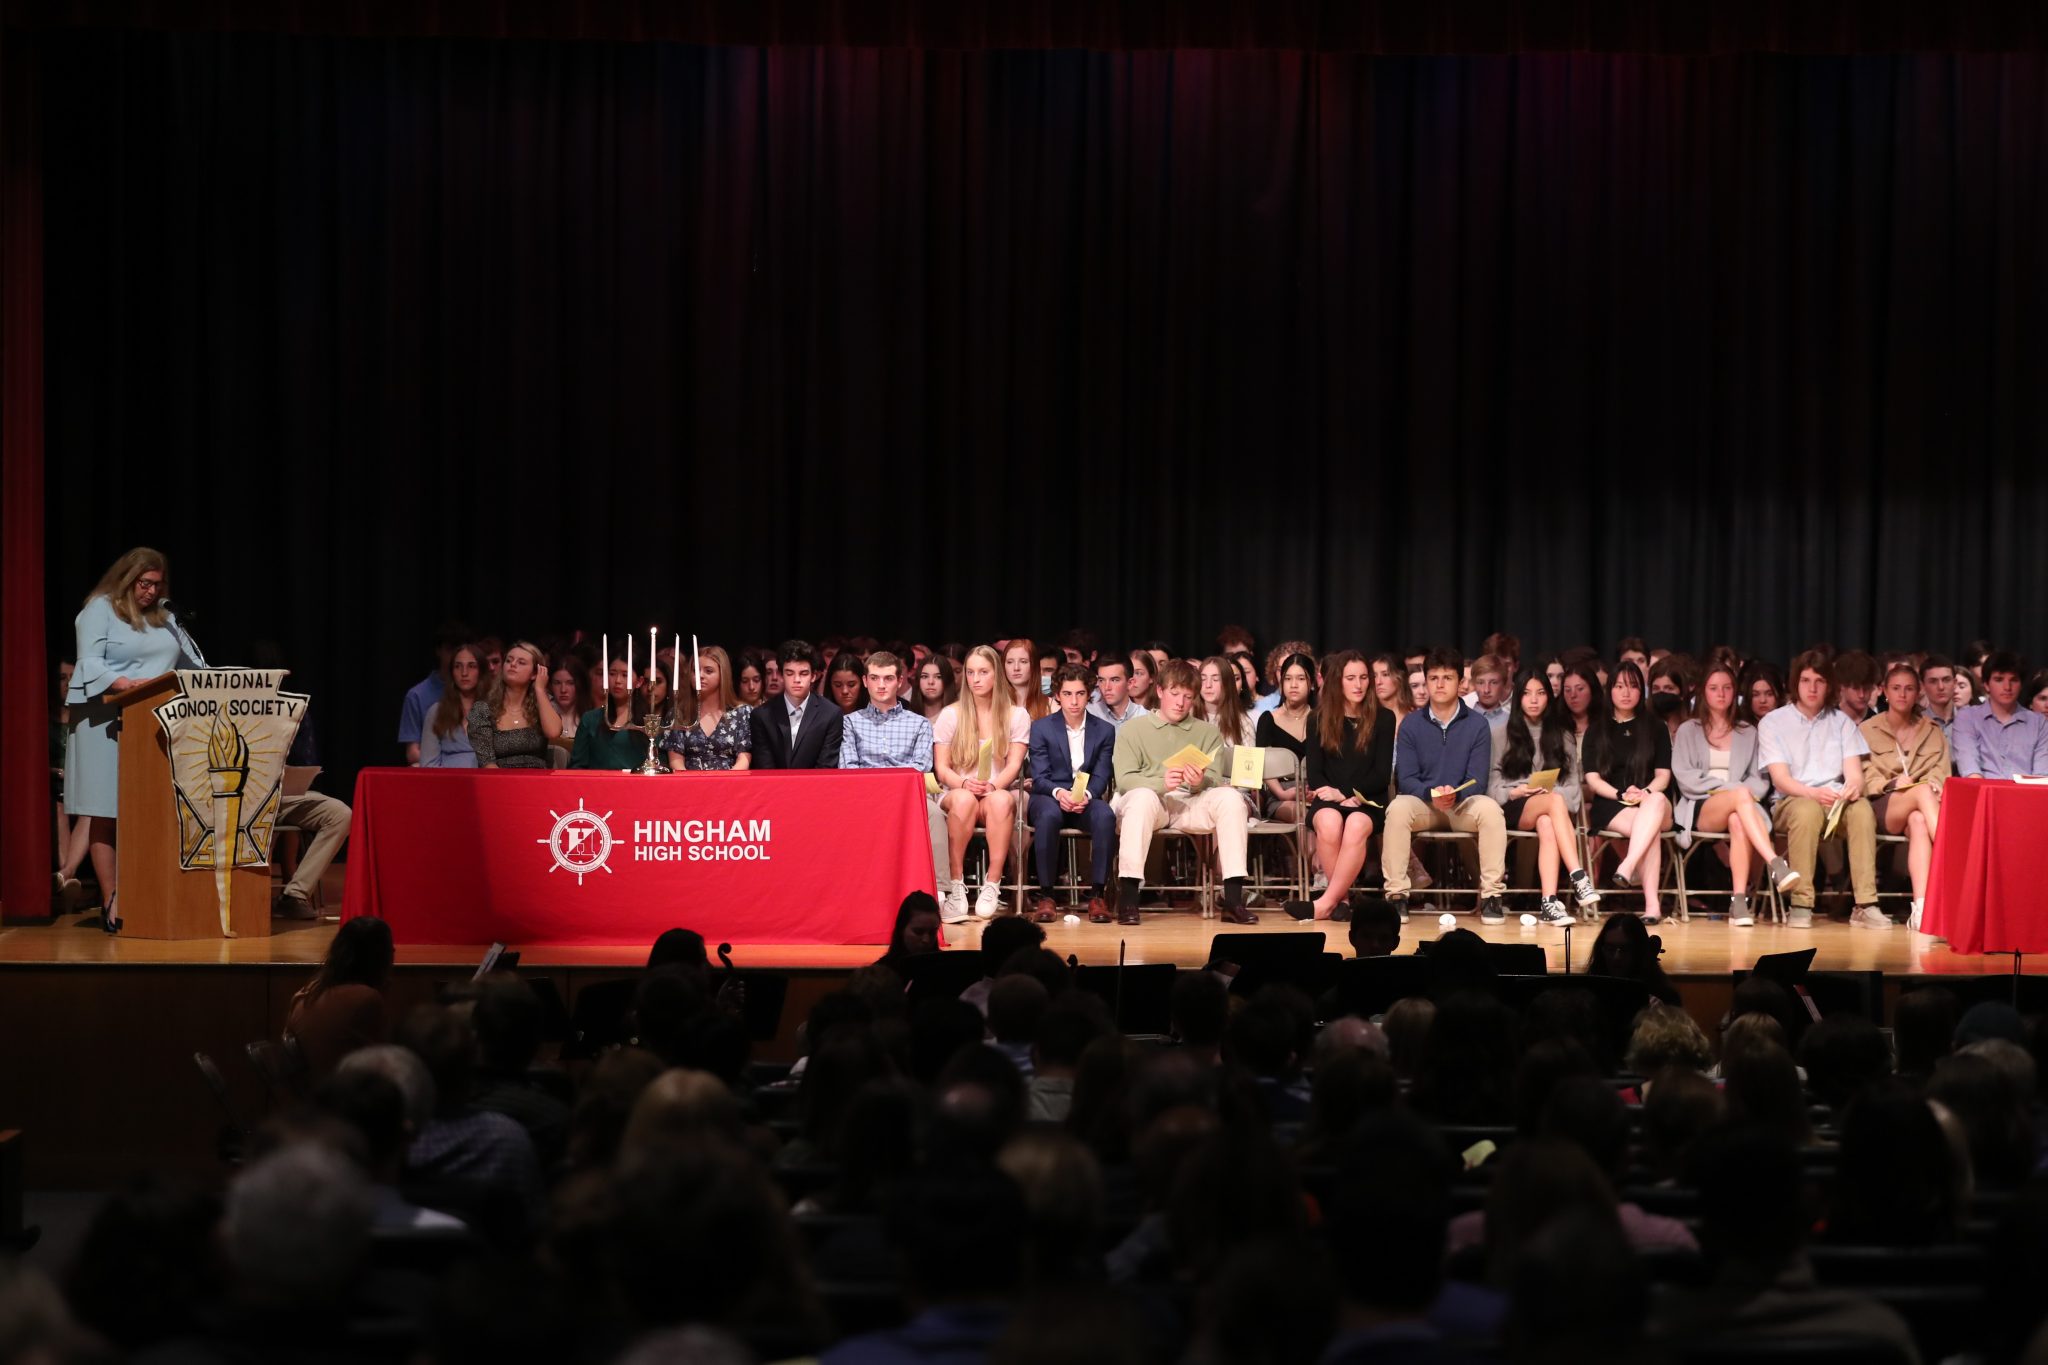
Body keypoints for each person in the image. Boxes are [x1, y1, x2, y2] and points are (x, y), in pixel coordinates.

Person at [64, 548, 206, 933]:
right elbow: (89, 662)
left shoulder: (165, 617)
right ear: (127, 579)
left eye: (158, 584)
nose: (151, 591)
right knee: (105, 811)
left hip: (155, 722)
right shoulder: (100, 609)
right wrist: (125, 683)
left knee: (153, 811)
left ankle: (150, 890)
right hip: (104, 719)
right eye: (145, 583)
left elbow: (192, 665)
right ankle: (113, 898)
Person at [1110, 659, 1256, 926]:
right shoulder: (1133, 729)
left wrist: (1200, 781)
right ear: (1160, 691)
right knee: (1141, 798)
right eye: (1175, 694)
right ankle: (1129, 899)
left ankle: (1233, 900)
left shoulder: (1207, 732)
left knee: (1231, 798)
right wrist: (1161, 782)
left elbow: (1214, 778)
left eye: (1188, 697)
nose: (1180, 703)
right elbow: (1125, 780)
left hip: (1191, 803)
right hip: (1152, 801)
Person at [1380, 647, 1509, 923]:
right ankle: (1397, 896)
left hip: (1461, 804)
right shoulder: (1411, 725)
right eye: (1434, 678)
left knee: (1491, 811)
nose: (1439, 684)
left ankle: (1491, 896)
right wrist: (1432, 794)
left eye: (1447, 678)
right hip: (1425, 804)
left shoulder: (1477, 725)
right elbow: (1406, 778)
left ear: (1460, 682)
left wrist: (1455, 794)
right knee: (1397, 809)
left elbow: (1478, 779)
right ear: (1426, 682)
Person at [1759, 650, 1884, 930]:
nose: (1812, 688)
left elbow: (1854, 774)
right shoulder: (1774, 722)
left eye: (1819, 681)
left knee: (1862, 809)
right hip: (1793, 800)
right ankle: (1801, 904)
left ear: (1829, 685)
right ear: (1795, 683)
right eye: (1805, 680)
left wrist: (1852, 789)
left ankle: (1866, 904)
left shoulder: (1841, 722)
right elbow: (1781, 780)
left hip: (1834, 800)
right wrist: (1814, 794)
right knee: (1806, 810)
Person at [1672, 663, 1796, 927]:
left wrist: (1737, 794)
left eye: (1727, 688)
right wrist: (1730, 790)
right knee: (1740, 796)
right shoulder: (1688, 729)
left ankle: (1739, 902)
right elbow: (1685, 778)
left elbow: (1759, 780)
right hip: (1701, 805)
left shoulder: (1748, 732)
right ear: (1703, 692)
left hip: (1742, 807)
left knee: (1738, 821)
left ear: (1735, 692)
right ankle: (1775, 862)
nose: (1721, 694)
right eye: (1714, 688)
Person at [839, 652, 955, 915]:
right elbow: (849, 768)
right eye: (875, 678)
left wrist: (886, 783)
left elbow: (920, 767)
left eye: (888, 678)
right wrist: (883, 785)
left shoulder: (919, 724)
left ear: (900, 681)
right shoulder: (850, 723)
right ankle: (850, 892)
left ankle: (938, 893)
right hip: (864, 798)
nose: (881, 685)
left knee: (934, 814)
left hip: (907, 799)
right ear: (865, 681)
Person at [1285, 652, 1395, 923]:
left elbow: (1382, 775)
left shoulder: (1384, 718)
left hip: (1368, 799)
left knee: (1356, 825)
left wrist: (1346, 793)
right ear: (1338, 681)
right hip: (1329, 797)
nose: (1358, 684)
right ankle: (1342, 901)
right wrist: (1336, 796)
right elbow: (1315, 773)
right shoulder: (1317, 718)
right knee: (1329, 822)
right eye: (1351, 678)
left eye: (1363, 677)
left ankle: (1325, 903)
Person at [1489, 670, 1600, 925]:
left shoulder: (1563, 734)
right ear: (1518, 697)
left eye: (1540, 693)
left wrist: (1549, 793)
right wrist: (1515, 791)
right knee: (1554, 803)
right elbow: (1491, 786)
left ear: (1549, 697)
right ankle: (1579, 876)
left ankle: (1549, 902)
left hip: (1551, 805)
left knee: (1548, 820)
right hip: (1512, 804)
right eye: (1527, 693)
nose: (1534, 700)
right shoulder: (1499, 733)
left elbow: (1573, 789)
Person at [934, 646, 1029, 920]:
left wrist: (994, 786)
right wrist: (964, 784)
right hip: (957, 790)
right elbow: (942, 769)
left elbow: (1014, 765)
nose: (975, 679)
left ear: (996, 674)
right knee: (964, 800)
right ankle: (956, 886)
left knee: (1002, 800)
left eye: (983, 672)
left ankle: (992, 884)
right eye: (971, 672)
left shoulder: (1016, 715)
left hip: (994, 789)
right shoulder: (951, 714)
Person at [1583, 662, 1676, 924]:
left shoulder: (1656, 727)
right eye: (1620, 686)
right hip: (1612, 803)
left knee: (1655, 802)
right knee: (1649, 829)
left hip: (1652, 800)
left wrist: (1644, 792)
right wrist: (1620, 795)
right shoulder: (1596, 729)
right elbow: (1592, 779)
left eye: (1633, 686)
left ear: (1642, 691)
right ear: (1610, 690)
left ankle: (1628, 864)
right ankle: (1652, 905)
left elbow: (1663, 776)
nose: (1626, 693)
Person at [1861, 663, 1950, 931]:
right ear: (1884, 691)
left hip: (1923, 806)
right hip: (1883, 804)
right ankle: (1953, 859)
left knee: (1919, 820)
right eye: (1896, 688)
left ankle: (1922, 908)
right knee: (1921, 793)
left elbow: (1942, 772)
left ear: (1918, 692)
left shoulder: (1932, 730)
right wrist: (1891, 783)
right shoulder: (1867, 729)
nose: (1902, 694)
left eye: (1909, 688)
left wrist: (1935, 784)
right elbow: (1864, 775)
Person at [1027, 666, 1118, 924]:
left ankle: (1097, 895)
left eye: (1080, 693)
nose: (1074, 701)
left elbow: (1101, 774)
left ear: (1089, 694)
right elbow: (1040, 777)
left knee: (1105, 816)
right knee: (1048, 816)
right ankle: (1046, 895)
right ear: (1057, 695)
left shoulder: (1104, 730)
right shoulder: (1041, 728)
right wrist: (1059, 794)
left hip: (1084, 797)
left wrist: (1087, 795)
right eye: (1067, 694)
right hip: (1050, 795)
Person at [285, 915, 395, 1079]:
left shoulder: (308, 992)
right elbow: (385, 1063)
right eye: (390, 951)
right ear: (379, 958)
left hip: (312, 1089)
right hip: (342, 1089)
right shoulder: (366, 999)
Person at [1953, 649, 2048, 779]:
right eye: (1999, 679)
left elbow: (2041, 776)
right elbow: (1970, 769)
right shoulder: (1968, 717)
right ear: (1986, 685)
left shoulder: (2038, 723)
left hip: (2025, 790)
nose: (2007, 687)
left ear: (2021, 685)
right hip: (1982, 790)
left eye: (2013, 680)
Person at [467, 641, 562, 769]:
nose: (512, 664)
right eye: (508, 660)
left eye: (521, 662)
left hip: (537, 777)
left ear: (534, 673)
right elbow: (487, 763)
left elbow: (554, 732)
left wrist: (540, 689)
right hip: (498, 777)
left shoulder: (543, 702)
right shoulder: (482, 709)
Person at [750, 640, 844, 770]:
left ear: (814, 676)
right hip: (773, 783)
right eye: (790, 673)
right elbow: (765, 767)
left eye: (803, 673)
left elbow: (825, 767)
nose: (797, 680)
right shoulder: (762, 715)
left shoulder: (831, 714)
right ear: (782, 675)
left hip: (816, 783)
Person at [664, 646, 753, 771]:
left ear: (723, 674)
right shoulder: (679, 714)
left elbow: (744, 759)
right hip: (688, 780)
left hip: (730, 780)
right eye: (695, 671)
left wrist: (726, 781)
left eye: (708, 671)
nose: (700, 675)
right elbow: (676, 762)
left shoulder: (742, 713)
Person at [398, 619, 472, 765]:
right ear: (439, 651)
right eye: (450, 649)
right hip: (435, 767)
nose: (456, 656)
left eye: (460, 650)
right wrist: (449, 761)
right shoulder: (417, 695)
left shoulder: (480, 693)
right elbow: (412, 753)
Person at [1253, 652, 1315, 824]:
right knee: (1306, 815)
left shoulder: (1321, 720)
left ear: (1311, 683)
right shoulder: (1268, 719)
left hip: (1316, 792)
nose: (1293, 685)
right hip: (1280, 794)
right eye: (1288, 679)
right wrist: (1282, 793)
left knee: (1324, 816)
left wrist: (1316, 791)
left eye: (1301, 679)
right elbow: (1262, 764)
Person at [570, 654, 654, 770]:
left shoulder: (649, 722)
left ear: (639, 681)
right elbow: (577, 766)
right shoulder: (590, 719)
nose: (617, 681)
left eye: (625, 675)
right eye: (612, 674)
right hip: (597, 780)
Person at [418, 643, 484, 768]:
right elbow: (428, 764)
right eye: (458, 666)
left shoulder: (494, 711)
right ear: (452, 672)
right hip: (445, 779)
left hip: (485, 779)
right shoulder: (437, 712)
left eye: (471, 666)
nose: (464, 673)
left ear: (481, 671)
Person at [875, 891, 942, 973]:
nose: (926, 940)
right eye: (918, 932)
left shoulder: (948, 966)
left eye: (932, 932)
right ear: (902, 929)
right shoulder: (879, 973)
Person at [1196, 655, 1256, 746]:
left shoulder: (1243, 723)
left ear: (1227, 683)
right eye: (1203, 679)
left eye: (1215, 679)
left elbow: (1248, 755)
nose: (1208, 685)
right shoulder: (1189, 716)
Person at [1087, 653, 1147, 731]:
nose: (1107, 687)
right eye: (1102, 680)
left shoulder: (1145, 718)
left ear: (1130, 684)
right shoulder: (1089, 714)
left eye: (1114, 680)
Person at [1004, 638, 1053, 723]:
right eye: (1010, 662)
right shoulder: (992, 704)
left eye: (1023, 662)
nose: (1016, 668)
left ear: (1034, 665)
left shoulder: (1051, 707)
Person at [1833, 650, 1882, 723]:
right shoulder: (1827, 721)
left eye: (1866, 688)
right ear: (1841, 686)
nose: (1861, 695)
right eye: (1855, 688)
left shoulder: (1878, 725)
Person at [546, 660, 588, 747]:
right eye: (557, 683)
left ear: (579, 684)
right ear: (550, 686)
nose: (563, 690)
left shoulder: (589, 716)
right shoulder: (543, 714)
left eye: (570, 683)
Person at [1467, 654, 1511, 728]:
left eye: (1493, 683)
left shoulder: (1511, 723)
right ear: (1473, 684)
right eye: (1480, 683)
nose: (1486, 690)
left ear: (1504, 683)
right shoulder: (1462, 720)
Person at [911, 654, 957, 722]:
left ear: (947, 680)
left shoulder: (958, 715)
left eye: (938, 677)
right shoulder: (907, 716)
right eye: (925, 676)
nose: (930, 682)